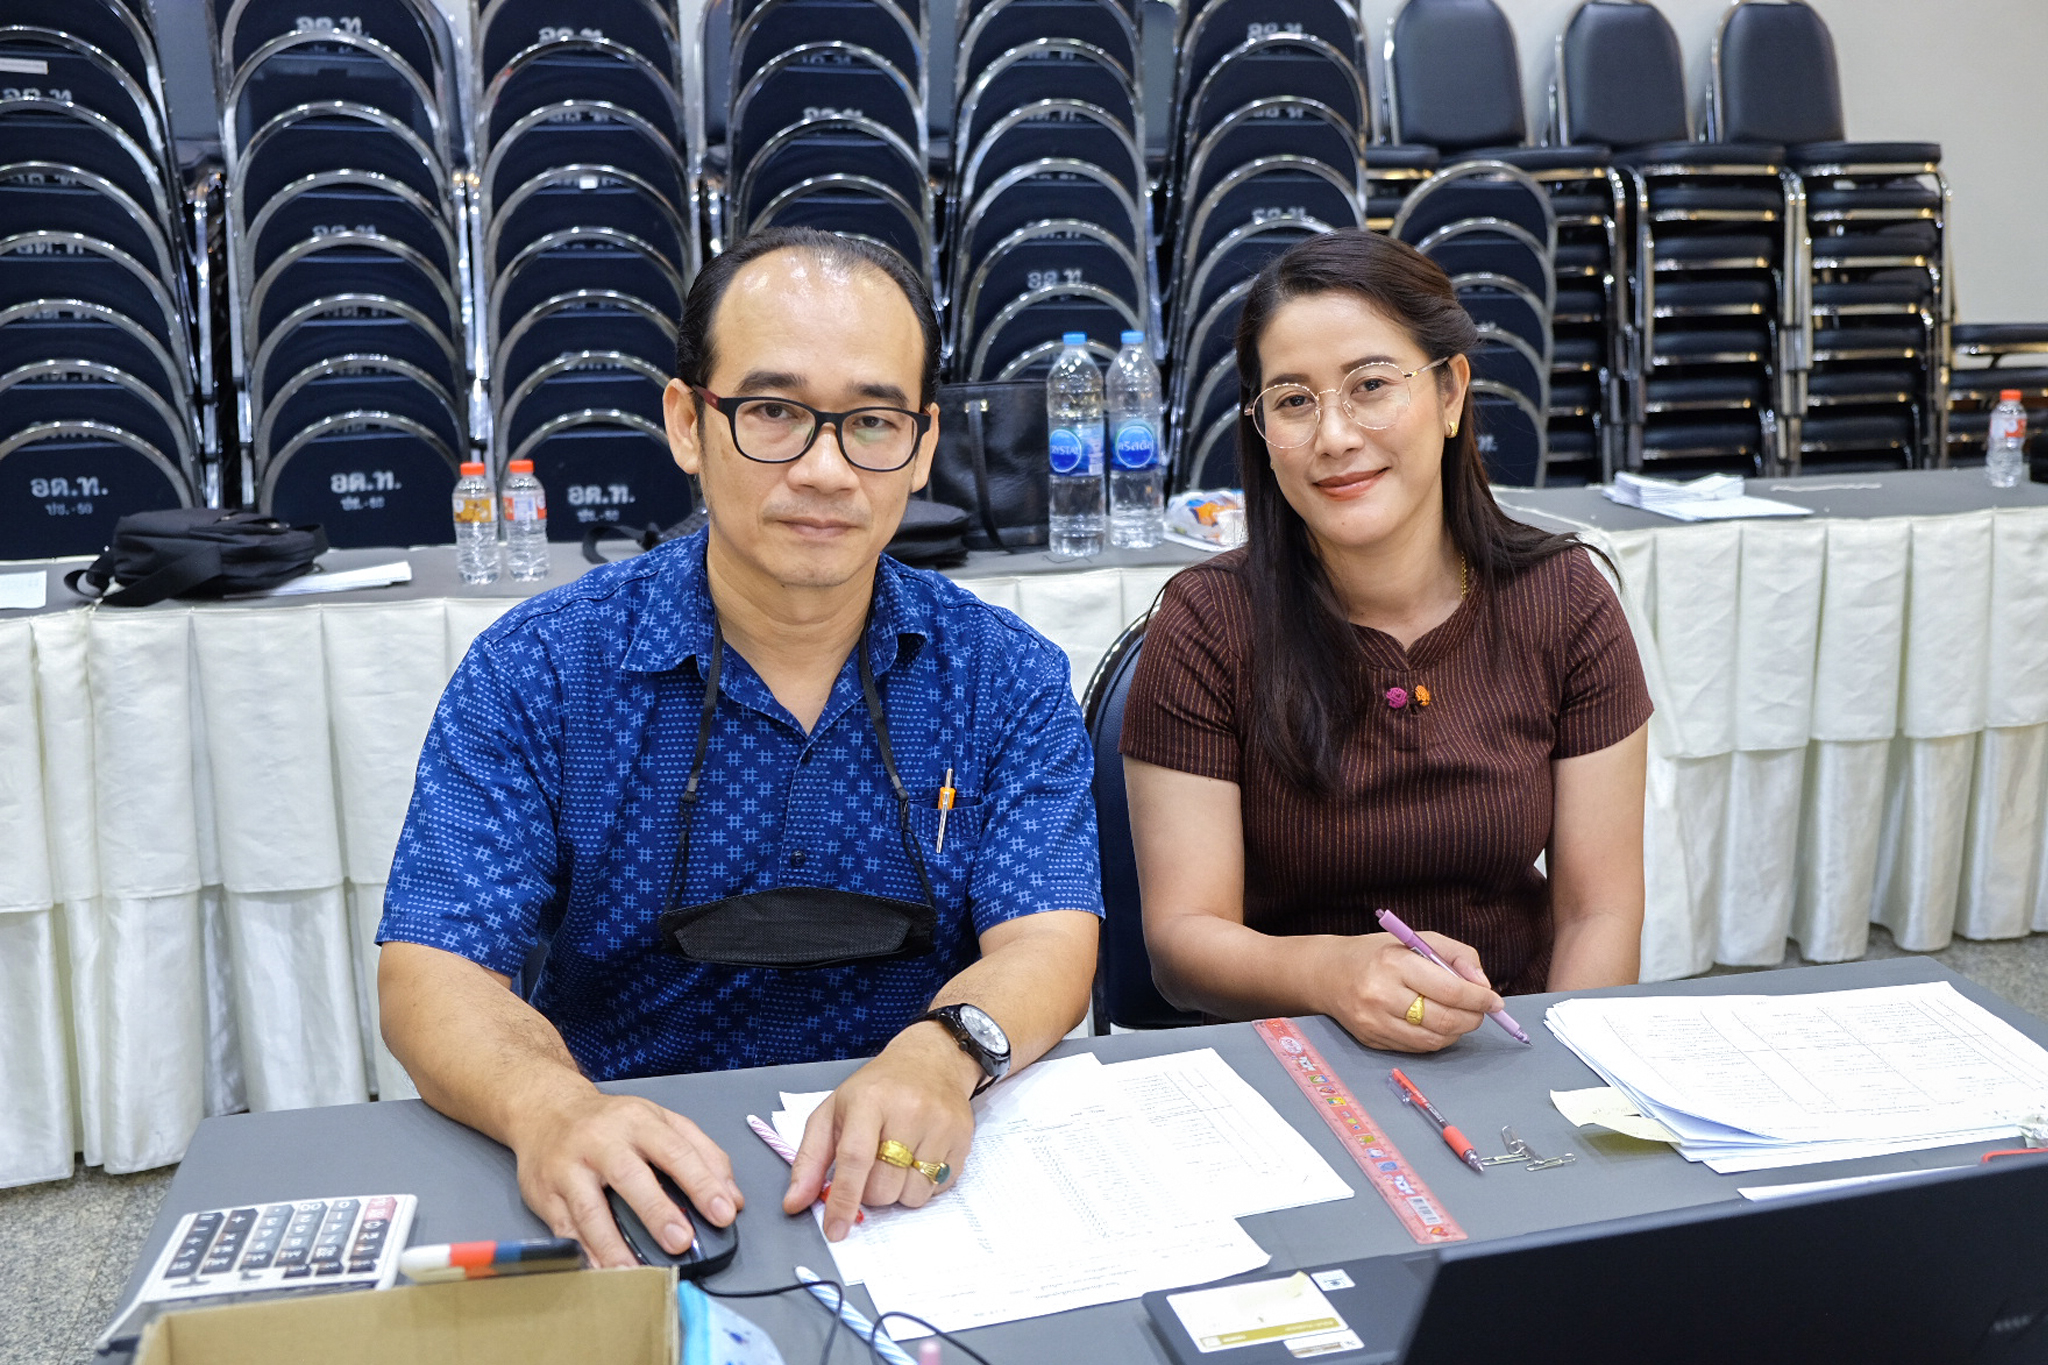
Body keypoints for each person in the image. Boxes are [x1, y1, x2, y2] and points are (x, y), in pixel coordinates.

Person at [376, 227, 1102, 1267]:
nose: (823, 468)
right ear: (685, 420)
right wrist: (548, 1110)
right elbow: (432, 969)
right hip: (634, 1168)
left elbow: (1047, 940)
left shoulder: (1003, 673)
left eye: (871, 422)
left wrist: (944, 1058)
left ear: (922, 444)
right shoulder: (539, 670)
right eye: (771, 413)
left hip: (923, 1175)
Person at [1120, 228, 1650, 1053]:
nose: (1334, 435)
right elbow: (1183, 944)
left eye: (1370, 385)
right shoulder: (1204, 625)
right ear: (1262, 429)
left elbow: (1599, 911)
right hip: (1292, 1057)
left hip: (1516, 1041)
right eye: (1294, 400)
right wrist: (1332, 976)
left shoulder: (1567, 601)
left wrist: (1561, 1072)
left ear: (1449, 392)